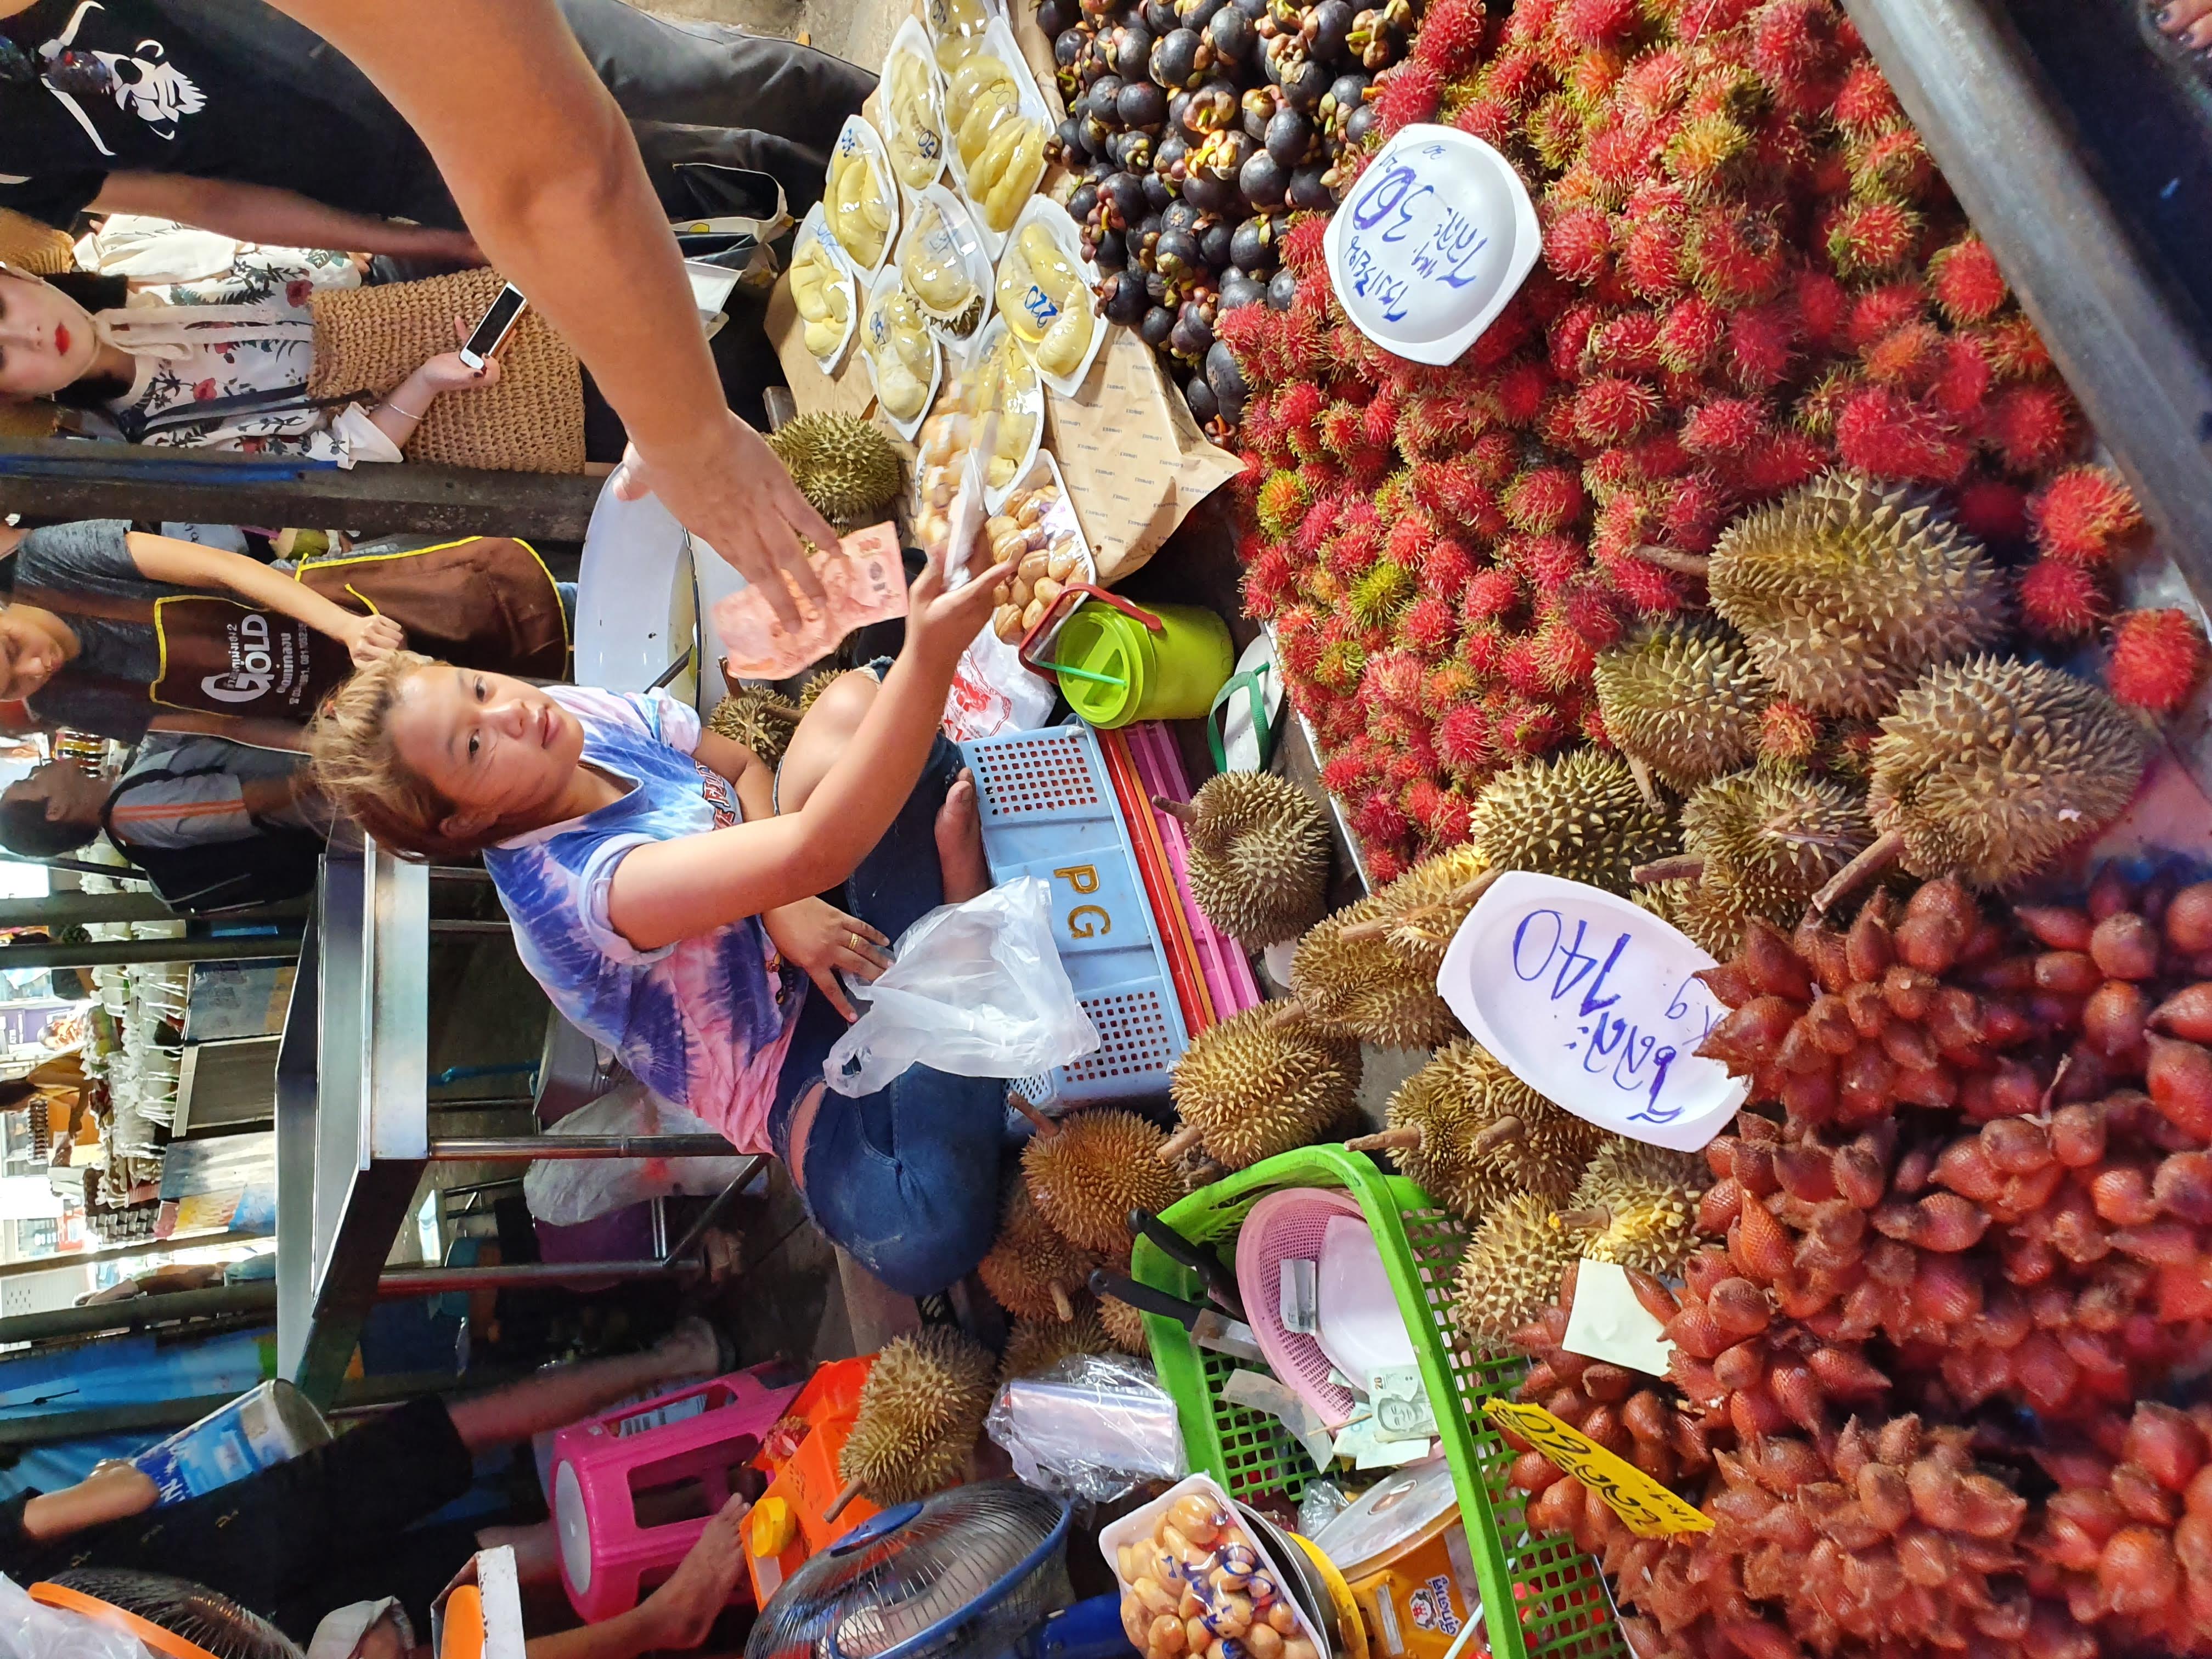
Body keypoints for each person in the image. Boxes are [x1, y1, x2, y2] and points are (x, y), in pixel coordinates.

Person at [308, 539, 1018, 1298]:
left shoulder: (569, 720)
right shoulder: (585, 889)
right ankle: (962, 920)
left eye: (478, 688)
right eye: (476, 745)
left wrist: (783, 908)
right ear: (462, 822)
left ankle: (953, 975)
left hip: (811, 907)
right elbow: (815, 847)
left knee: (853, 705)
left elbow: (744, 768)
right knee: (921, 1229)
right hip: (786, 1061)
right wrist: (929, 658)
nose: (512, 712)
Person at [257, 0, 849, 629]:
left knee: (712, 94)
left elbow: (566, 183)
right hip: (425, 175)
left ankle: (895, 142)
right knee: (705, 189)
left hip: (461, 92)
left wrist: (685, 437)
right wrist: (681, 435)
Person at [0, 1319, 743, 1652]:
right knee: (463, 1432)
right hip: (247, 1541)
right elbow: (130, 1494)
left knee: (477, 1566)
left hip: (268, 1641)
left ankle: (695, 1511)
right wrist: (106, 1480)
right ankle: (679, 1359)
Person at [0, 519, 567, 746]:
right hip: (346, 697)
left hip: (347, 607)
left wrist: (346, 628)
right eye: (12, 686)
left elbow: (224, 569)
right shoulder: (68, 699)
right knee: (538, 710)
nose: (35, 670)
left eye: (12, 650)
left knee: (510, 611)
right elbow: (219, 722)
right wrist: (323, 746)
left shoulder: (54, 563)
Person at [0, 262, 501, 463]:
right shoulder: (166, 439)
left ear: (18, 275)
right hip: (469, 402)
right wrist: (428, 381)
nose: (32, 335)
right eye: (1, 358)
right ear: (14, 396)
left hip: (444, 271)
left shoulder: (153, 259)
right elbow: (338, 457)